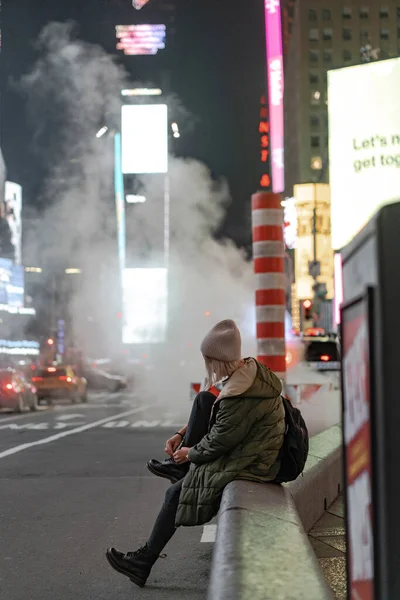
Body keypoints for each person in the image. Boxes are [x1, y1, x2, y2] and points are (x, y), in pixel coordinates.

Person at [106, 319, 286, 588]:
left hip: (252, 461)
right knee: (203, 399)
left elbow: (219, 440)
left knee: (176, 493)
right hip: (245, 449)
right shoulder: (245, 373)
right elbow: (215, 415)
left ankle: (143, 561)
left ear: (217, 360)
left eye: (207, 360)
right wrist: (181, 436)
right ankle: (178, 473)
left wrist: (190, 454)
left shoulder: (241, 395)